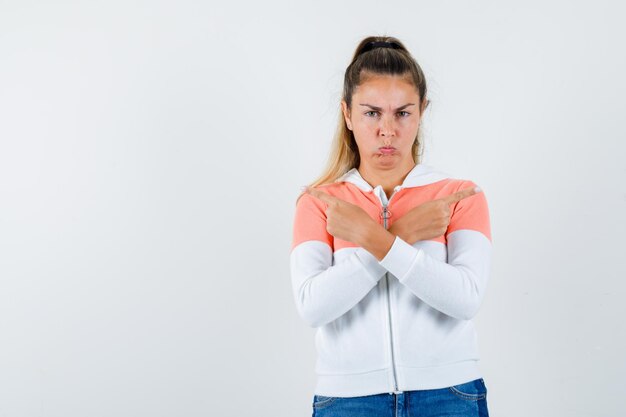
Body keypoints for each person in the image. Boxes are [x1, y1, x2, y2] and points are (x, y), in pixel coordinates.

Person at [290, 35, 492, 417]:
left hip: (449, 395)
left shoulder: (459, 196)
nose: (387, 130)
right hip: (347, 401)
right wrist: (402, 233)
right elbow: (313, 307)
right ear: (347, 114)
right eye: (371, 113)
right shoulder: (320, 202)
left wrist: (372, 237)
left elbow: (466, 299)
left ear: (422, 112)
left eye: (402, 113)